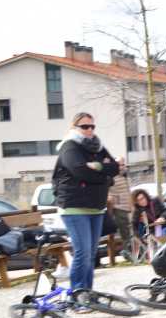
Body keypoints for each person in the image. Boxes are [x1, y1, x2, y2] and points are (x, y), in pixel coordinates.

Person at [51, 112, 122, 292]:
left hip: (96, 206)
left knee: (91, 253)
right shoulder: (69, 147)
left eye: (92, 126)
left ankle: (87, 293)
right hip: (74, 206)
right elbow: (80, 172)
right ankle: (77, 294)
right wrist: (104, 173)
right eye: (84, 126)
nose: (89, 130)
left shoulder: (98, 146)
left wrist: (99, 167)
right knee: (82, 252)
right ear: (74, 128)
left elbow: (114, 168)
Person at [107, 168, 133, 261]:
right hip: (119, 208)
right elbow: (108, 192)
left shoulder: (125, 176)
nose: (123, 166)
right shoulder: (112, 177)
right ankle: (127, 253)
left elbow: (128, 192)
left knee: (129, 231)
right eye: (120, 164)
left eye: (124, 164)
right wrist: (114, 203)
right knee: (124, 233)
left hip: (128, 208)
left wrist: (131, 206)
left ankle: (130, 252)